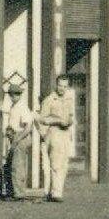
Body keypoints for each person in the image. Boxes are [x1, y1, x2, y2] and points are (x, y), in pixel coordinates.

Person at [36, 74, 76, 203]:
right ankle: (55, 193)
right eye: (60, 85)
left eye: (65, 86)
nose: (62, 89)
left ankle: (56, 191)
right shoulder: (49, 100)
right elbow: (42, 118)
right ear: (56, 85)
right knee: (56, 164)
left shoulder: (69, 100)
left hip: (65, 133)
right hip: (54, 132)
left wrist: (69, 121)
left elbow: (71, 116)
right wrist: (57, 120)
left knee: (63, 164)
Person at [0, 81, 34, 200]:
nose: (14, 96)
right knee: (15, 164)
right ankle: (16, 190)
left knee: (17, 166)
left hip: (21, 137)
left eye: (16, 94)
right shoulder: (14, 106)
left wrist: (18, 137)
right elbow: (11, 113)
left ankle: (19, 193)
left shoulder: (23, 107)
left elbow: (28, 127)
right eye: (12, 94)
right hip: (15, 136)